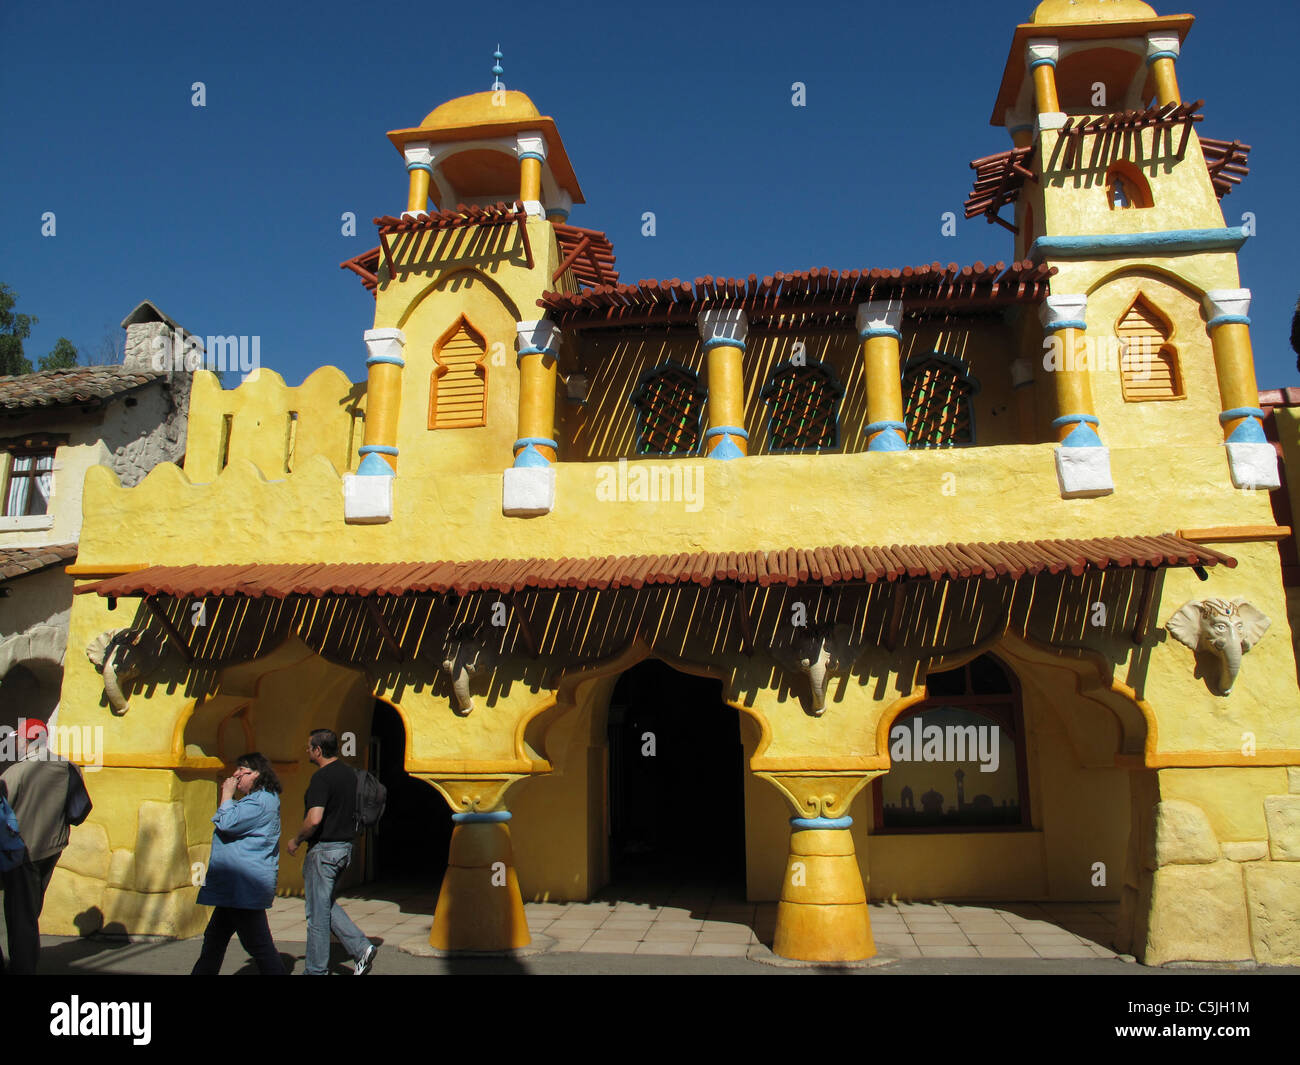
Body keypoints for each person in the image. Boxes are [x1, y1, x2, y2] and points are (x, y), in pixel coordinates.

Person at [0, 718, 89, 974]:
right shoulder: (68, 767)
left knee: (20, 913)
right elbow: (79, 811)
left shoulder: (17, 772)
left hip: (22, 851)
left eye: (18, 738)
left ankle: (22, 967)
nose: (15, 742)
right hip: (53, 847)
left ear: (28, 739)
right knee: (31, 907)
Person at [287, 729, 375, 975]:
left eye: (309, 747)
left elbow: (314, 819)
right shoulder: (350, 775)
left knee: (317, 915)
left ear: (318, 750)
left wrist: (296, 839)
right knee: (325, 904)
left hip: (324, 851)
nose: (307, 751)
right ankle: (361, 948)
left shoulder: (321, 778)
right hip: (346, 848)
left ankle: (316, 971)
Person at [191, 752, 287, 975]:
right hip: (234, 886)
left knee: (258, 945)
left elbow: (226, 822)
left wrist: (226, 794)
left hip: (243, 885)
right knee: (215, 938)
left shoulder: (262, 801)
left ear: (256, 773)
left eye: (241, 771)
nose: (235, 775)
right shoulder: (256, 800)